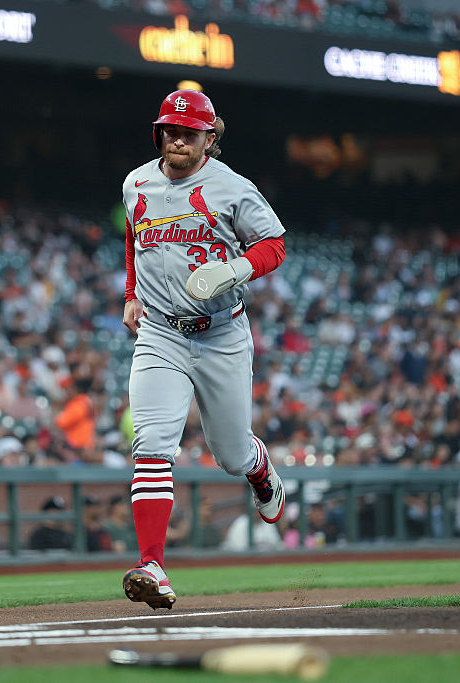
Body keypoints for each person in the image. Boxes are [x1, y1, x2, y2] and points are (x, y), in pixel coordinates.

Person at [120, 89, 287, 609]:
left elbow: (274, 244)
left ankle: (259, 467)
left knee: (230, 454)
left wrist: (235, 269)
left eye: (188, 133)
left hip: (221, 333)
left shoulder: (232, 187)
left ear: (209, 138)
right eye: (170, 130)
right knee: (151, 444)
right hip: (161, 332)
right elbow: (133, 237)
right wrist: (130, 294)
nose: (177, 139)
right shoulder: (136, 182)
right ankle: (154, 565)